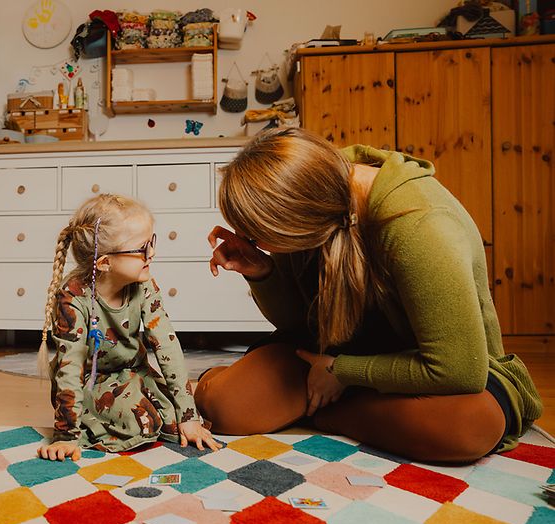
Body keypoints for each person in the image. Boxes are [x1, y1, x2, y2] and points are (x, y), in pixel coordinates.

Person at [197, 127, 542, 464]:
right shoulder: (316, 197)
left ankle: (327, 410)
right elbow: (297, 324)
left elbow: (458, 371)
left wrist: (342, 371)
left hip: (428, 368)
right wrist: (261, 271)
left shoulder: (420, 224)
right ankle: (345, 404)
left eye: (257, 235)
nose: (250, 240)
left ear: (295, 219)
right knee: (224, 408)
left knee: (469, 428)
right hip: (333, 349)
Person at [36, 194, 220, 461]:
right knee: (140, 423)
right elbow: (70, 368)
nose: (152, 254)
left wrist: (188, 416)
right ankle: (93, 421)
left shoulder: (143, 285)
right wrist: (66, 435)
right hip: (92, 381)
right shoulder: (73, 298)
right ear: (105, 263)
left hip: (135, 372)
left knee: (175, 420)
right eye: (141, 248)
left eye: (151, 243)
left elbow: (167, 346)